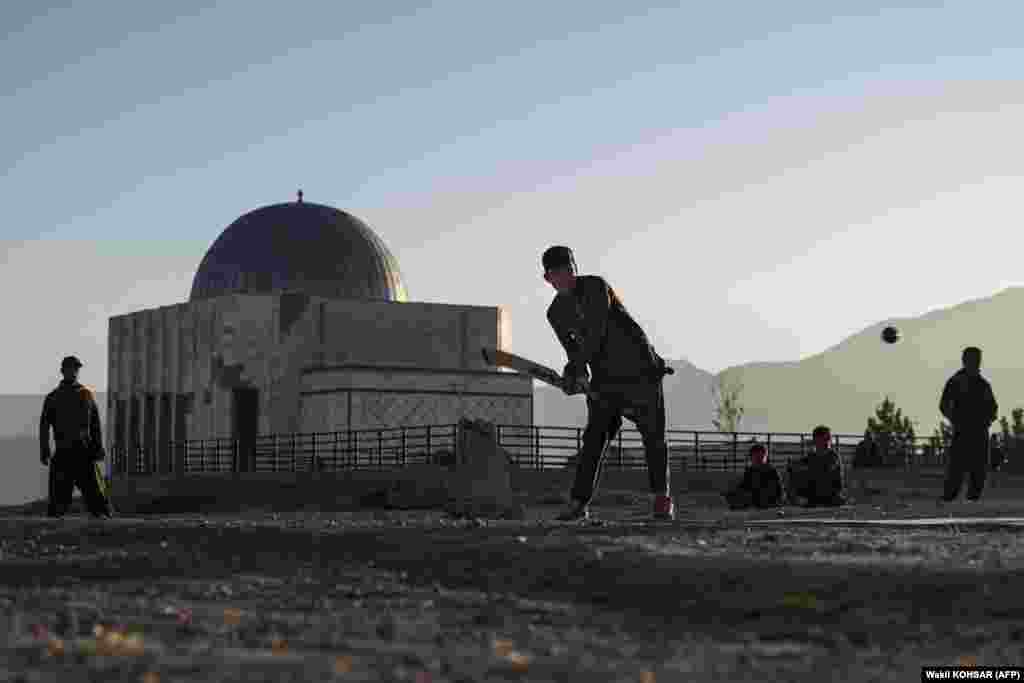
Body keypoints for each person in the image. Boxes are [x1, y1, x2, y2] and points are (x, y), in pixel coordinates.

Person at [542, 246, 675, 521]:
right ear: (548, 279)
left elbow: (596, 331)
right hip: (605, 380)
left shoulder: (595, 287)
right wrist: (574, 375)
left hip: (640, 370)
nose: (565, 277)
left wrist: (578, 367)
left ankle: (662, 500)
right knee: (593, 438)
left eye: (569, 270)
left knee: (653, 437)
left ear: (575, 269)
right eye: (558, 274)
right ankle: (578, 503)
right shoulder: (555, 313)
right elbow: (573, 350)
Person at [39, 356, 113, 518]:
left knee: (95, 492)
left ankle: (103, 518)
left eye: (76, 369)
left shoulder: (86, 395)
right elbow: (44, 426)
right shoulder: (53, 397)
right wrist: (44, 451)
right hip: (63, 451)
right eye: (70, 369)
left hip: (84, 452)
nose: (74, 372)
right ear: (63, 371)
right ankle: (54, 521)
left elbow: (95, 425)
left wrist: (98, 448)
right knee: (58, 496)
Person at [939, 347, 998, 502]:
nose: (977, 362)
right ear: (965, 360)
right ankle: (949, 498)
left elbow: (993, 407)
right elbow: (944, 404)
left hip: (980, 431)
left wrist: (989, 418)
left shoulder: (983, 384)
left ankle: (973, 499)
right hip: (963, 430)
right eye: (974, 359)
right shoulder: (956, 381)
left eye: (978, 359)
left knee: (979, 468)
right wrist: (955, 419)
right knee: (957, 467)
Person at [786, 425, 845, 507]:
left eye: (829, 438)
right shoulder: (810, 457)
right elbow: (795, 468)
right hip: (812, 497)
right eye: (826, 438)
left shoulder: (833, 456)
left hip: (830, 497)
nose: (829, 441)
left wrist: (804, 468)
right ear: (817, 439)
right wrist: (793, 466)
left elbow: (824, 470)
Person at [723, 443, 785, 509]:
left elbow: (778, 491)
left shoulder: (771, 471)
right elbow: (743, 486)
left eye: (761, 456)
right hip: (754, 499)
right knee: (734, 497)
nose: (758, 459)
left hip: (766, 500)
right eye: (756, 456)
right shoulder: (750, 471)